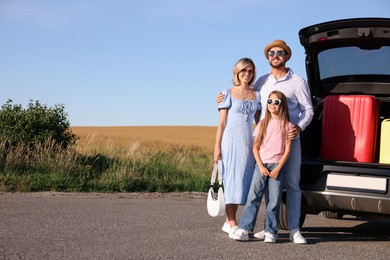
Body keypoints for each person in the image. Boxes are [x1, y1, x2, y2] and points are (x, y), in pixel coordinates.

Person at [217, 40, 313, 244]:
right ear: (268, 57)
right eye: (271, 53)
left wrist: (299, 127)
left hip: (289, 138)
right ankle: (267, 227)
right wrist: (222, 97)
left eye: (280, 52)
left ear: (287, 56)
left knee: (292, 183)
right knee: (262, 186)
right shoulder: (261, 81)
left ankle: (294, 229)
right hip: (263, 142)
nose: (275, 55)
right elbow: (245, 95)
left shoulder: (297, 81)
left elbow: (309, 110)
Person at [230, 90, 292, 243]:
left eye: (276, 102)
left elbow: (288, 150)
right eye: (269, 101)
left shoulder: (288, 125)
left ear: (282, 105)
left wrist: (278, 168)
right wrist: (261, 166)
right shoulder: (263, 124)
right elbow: (255, 148)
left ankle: (271, 231)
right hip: (261, 166)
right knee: (253, 197)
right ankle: (244, 228)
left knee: (274, 200)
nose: (272, 104)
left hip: (277, 167)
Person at [214, 58, 261, 239]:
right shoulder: (227, 93)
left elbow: (259, 121)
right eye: (243, 71)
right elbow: (222, 122)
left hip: (248, 141)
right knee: (232, 179)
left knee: (244, 180)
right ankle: (231, 222)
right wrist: (216, 147)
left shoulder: (257, 95)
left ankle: (230, 222)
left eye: (250, 71)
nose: (247, 74)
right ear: (237, 72)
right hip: (231, 141)